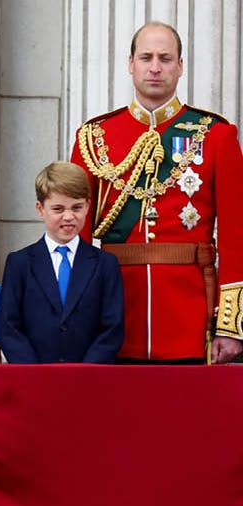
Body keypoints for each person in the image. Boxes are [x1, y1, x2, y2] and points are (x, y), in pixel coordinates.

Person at [70, 21, 243, 364]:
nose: (155, 67)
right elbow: (80, 235)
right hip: (115, 312)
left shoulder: (216, 136)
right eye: (146, 57)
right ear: (130, 64)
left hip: (191, 315)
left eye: (165, 58)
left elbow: (236, 235)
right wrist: (81, 314)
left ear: (180, 66)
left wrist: (228, 325)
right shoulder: (94, 137)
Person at [0, 162, 124, 364]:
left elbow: (112, 327)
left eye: (76, 207)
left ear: (88, 206)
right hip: (34, 379)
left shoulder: (105, 264)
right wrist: (34, 372)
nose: (68, 216)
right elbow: (9, 326)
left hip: (88, 380)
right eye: (58, 209)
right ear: (40, 209)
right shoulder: (19, 263)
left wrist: (85, 372)